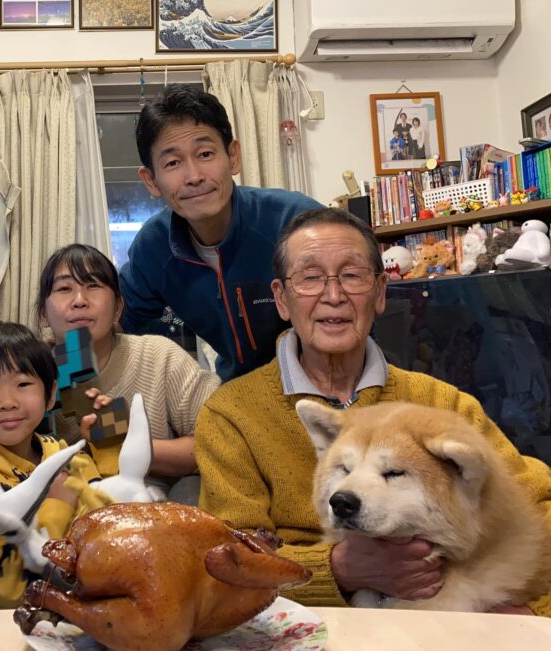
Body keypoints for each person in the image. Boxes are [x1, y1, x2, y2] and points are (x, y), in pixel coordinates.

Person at [195, 207, 551, 616]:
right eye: (310, 277)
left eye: (352, 275)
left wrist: (531, 616)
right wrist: (337, 570)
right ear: (281, 298)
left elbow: (539, 503)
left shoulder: (444, 405)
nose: (333, 296)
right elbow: (226, 563)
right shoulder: (231, 417)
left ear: (380, 292)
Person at [119, 84, 322, 383]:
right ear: (151, 180)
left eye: (205, 153)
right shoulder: (153, 247)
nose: (194, 176)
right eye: (173, 162)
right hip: (238, 392)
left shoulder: (295, 221)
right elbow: (117, 327)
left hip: (325, 383)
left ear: (233, 156)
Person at [37, 244, 220, 503]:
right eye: (64, 289)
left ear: (118, 308)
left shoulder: (158, 356)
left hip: (157, 507)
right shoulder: (30, 376)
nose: (79, 300)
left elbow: (220, 440)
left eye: (93, 285)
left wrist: (125, 446)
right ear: (43, 314)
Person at [0, 322, 108, 611]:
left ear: (50, 393)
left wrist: (110, 445)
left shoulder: (71, 458)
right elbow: (11, 587)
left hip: (75, 619)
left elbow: (110, 524)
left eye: (23, 384)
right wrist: (57, 505)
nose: (8, 402)